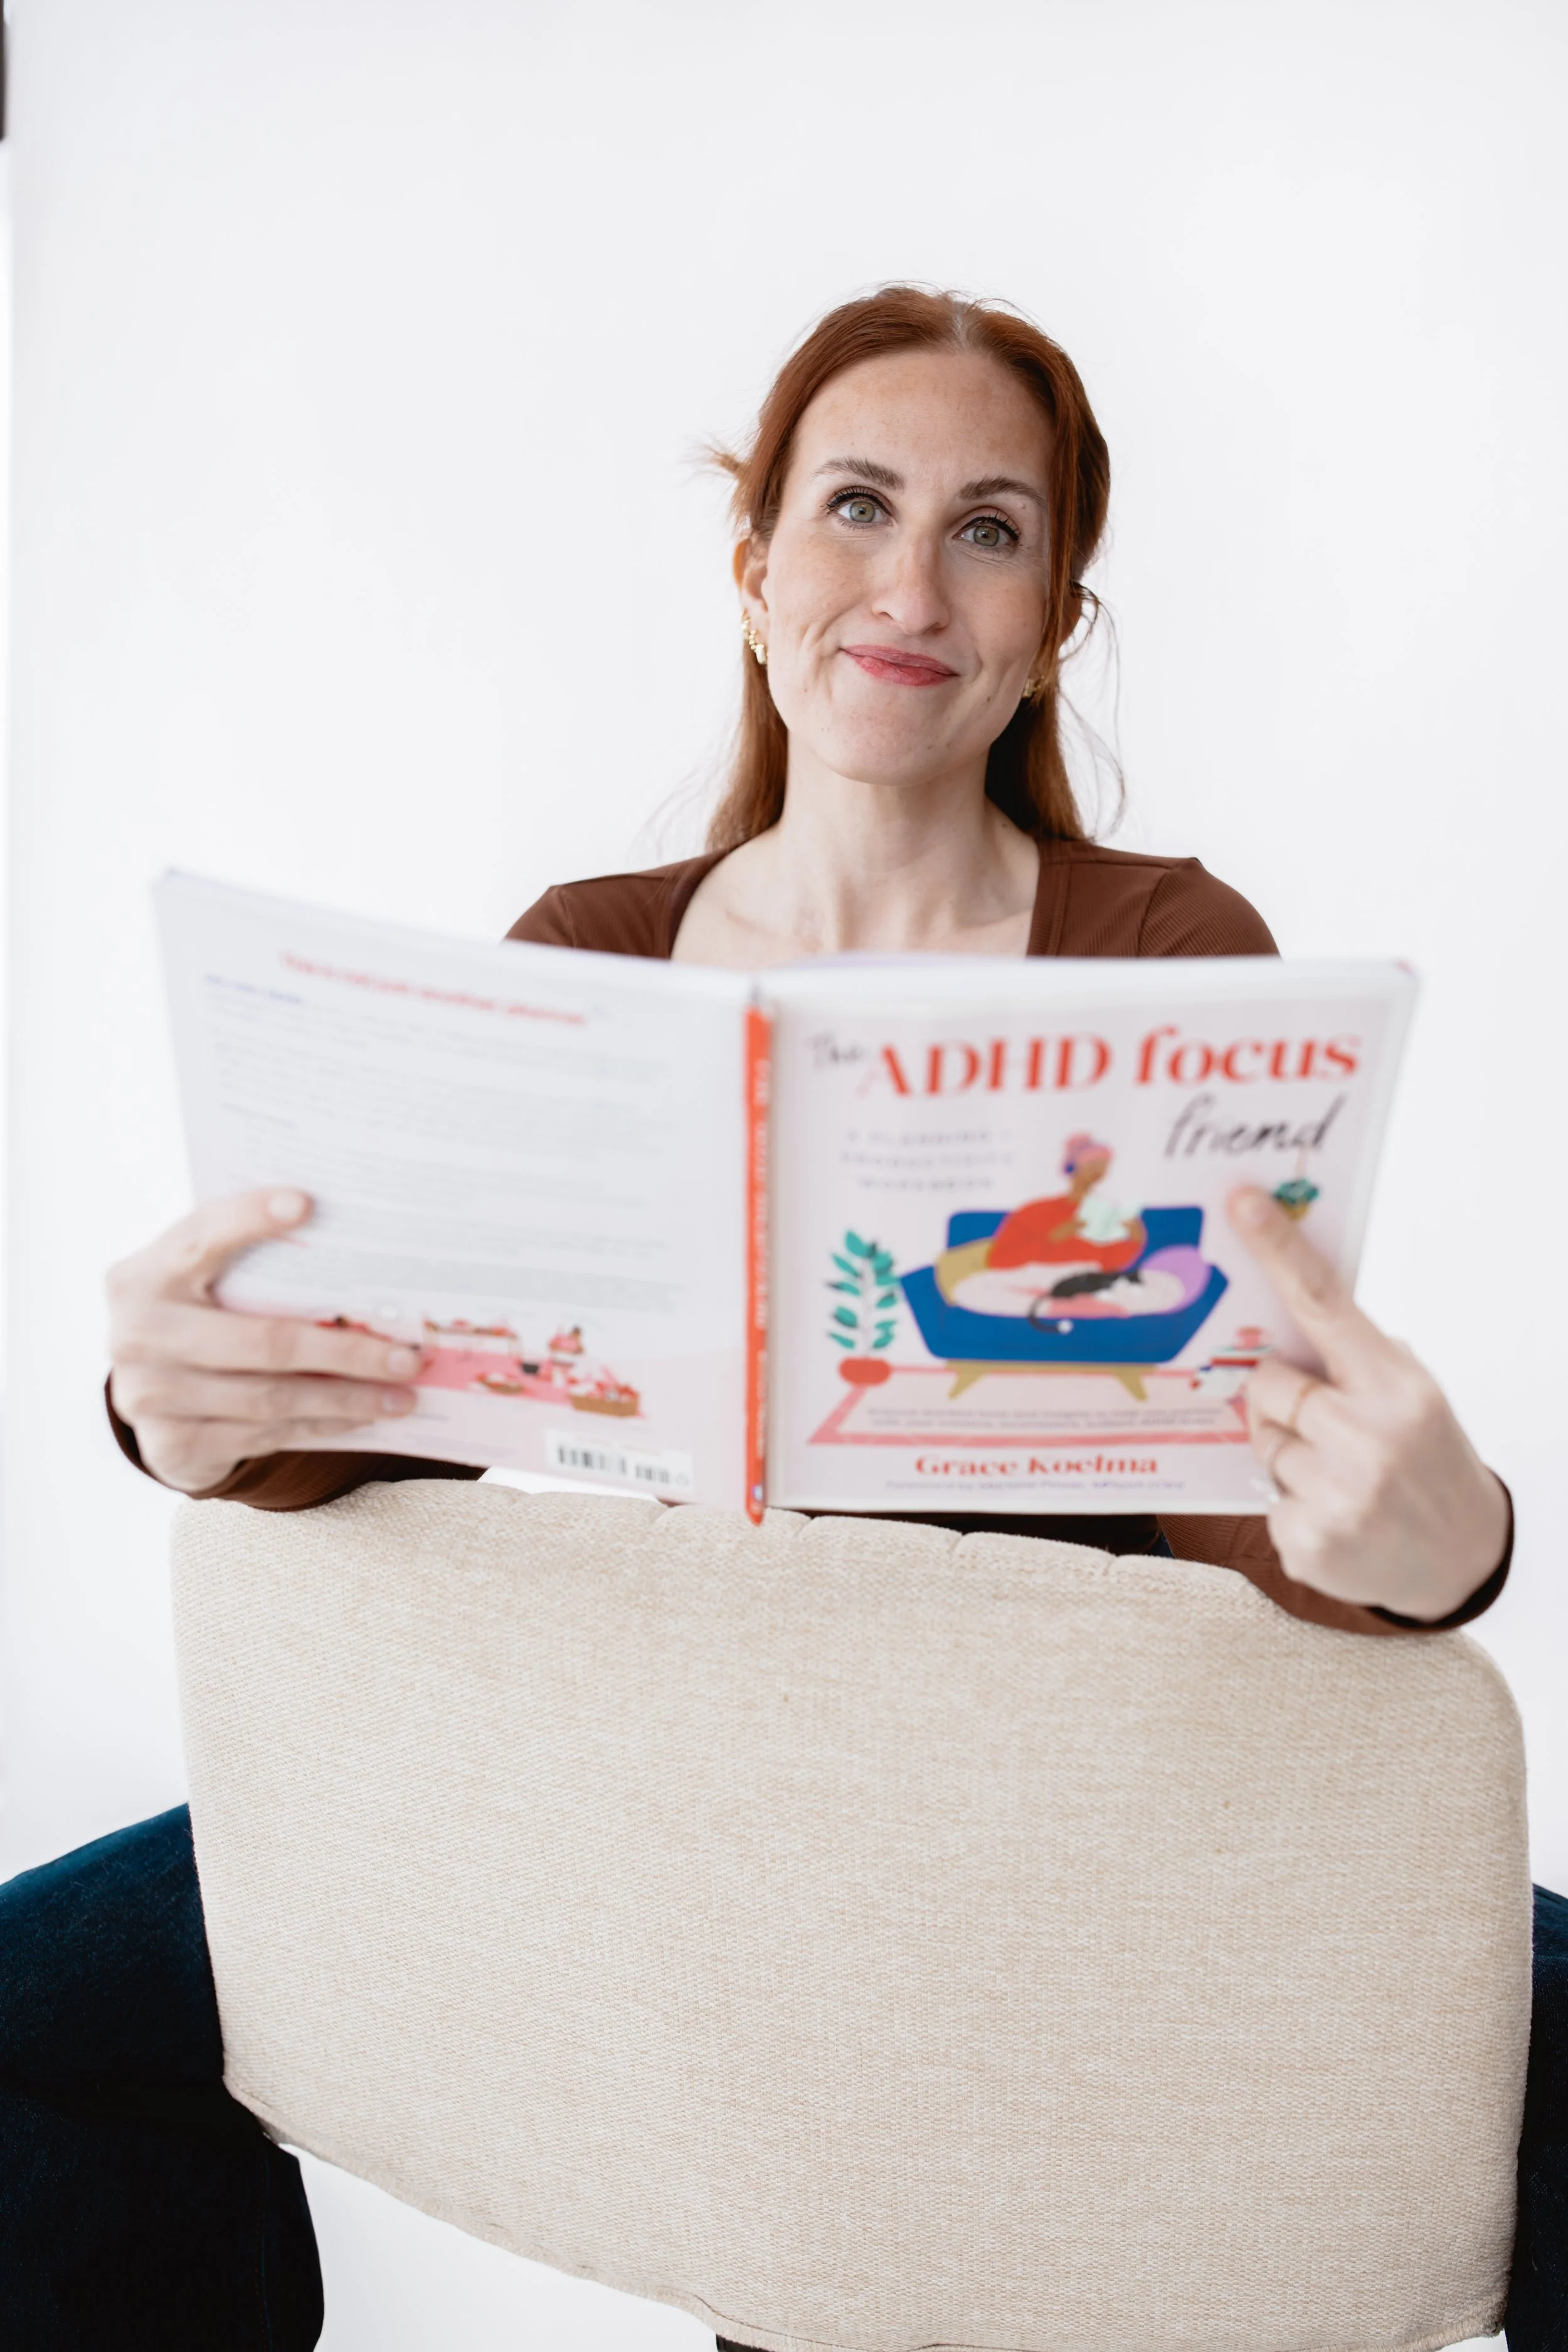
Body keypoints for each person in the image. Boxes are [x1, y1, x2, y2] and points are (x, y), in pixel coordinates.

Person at [1, 287, 1559, 2349]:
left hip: (1051, 1816)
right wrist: (178, 1403)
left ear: (1051, 621)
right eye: (853, 506)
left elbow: (1240, 1487)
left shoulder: (1164, 948)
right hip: (660, 1785)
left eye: (990, 529)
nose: (910, 581)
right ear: (753, 570)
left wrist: (1436, 1542)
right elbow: (390, 1398)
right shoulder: (591, 955)